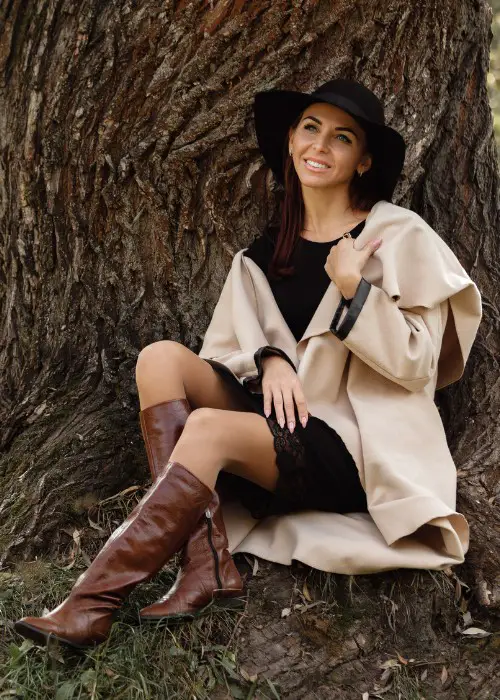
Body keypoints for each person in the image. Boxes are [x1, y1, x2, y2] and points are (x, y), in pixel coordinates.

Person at [14, 79, 482, 650]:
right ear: (290, 139)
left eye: (343, 137)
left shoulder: (394, 235)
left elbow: (419, 364)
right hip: (278, 423)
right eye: (310, 128)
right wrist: (271, 358)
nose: (321, 145)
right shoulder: (261, 258)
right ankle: (204, 562)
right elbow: (223, 351)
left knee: (207, 428)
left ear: (362, 161)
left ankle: (91, 605)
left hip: (353, 445)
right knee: (159, 360)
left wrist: (353, 285)